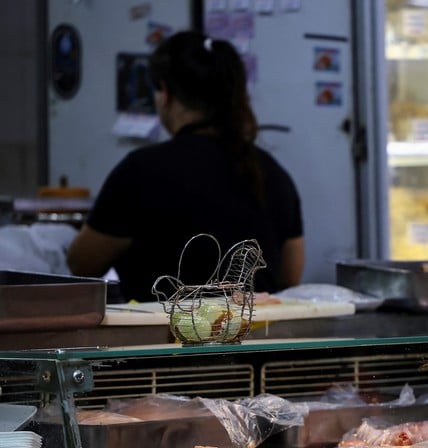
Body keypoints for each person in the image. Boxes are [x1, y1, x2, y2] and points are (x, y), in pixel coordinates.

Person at [67, 31, 304, 303]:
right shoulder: (271, 172)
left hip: (166, 339)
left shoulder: (141, 171)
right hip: (257, 339)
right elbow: (290, 276)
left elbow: (80, 264)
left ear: (165, 94)